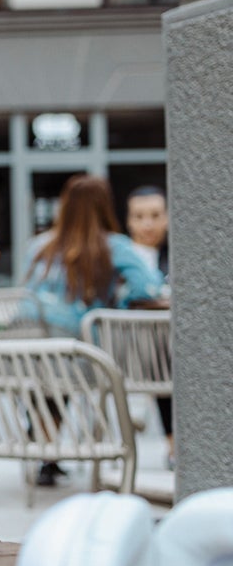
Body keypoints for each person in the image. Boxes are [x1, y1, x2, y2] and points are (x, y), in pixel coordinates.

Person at [24, 174, 165, 485]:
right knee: (72, 357)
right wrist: (120, 298)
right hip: (84, 360)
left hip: (28, 359)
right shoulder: (114, 246)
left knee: (50, 365)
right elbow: (149, 288)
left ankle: (45, 455)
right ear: (105, 207)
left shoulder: (38, 246)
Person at [125, 184, 173, 462]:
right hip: (121, 349)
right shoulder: (118, 257)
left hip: (161, 351)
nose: (148, 224)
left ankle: (174, 447)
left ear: (167, 217)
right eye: (140, 216)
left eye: (155, 215)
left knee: (166, 356)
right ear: (129, 220)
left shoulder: (177, 257)